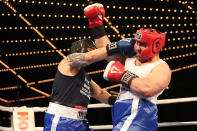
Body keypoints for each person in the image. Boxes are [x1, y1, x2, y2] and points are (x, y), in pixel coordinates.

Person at [67, 3, 172, 131]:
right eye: (137, 43)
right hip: (121, 112)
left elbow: (147, 88)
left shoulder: (161, 67)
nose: (137, 48)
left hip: (139, 113)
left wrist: (121, 75)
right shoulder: (129, 60)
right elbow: (105, 50)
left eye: (142, 45)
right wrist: (96, 24)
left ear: (156, 46)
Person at [43, 39, 117, 131]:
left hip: (80, 121)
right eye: (91, 51)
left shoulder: (85, 77)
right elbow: (89, 58)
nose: (95, 55)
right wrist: (116, 46)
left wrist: (118, 100)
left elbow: (100, 94)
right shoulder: (66, 63)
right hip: (61, 119)